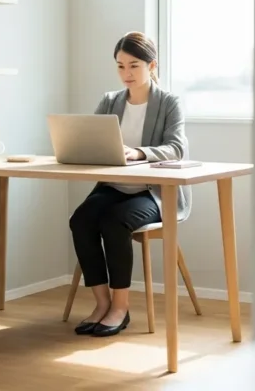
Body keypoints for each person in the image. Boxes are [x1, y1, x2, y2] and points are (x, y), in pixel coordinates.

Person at [69, 31, 191, 337]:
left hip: (152, 192)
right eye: (121, 66)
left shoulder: (169, 103)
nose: (127, 73)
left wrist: (138, 152)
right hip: (113, 187)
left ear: (152, 65)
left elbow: (176, 148)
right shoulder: (110, 101)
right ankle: (102, 304)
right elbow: (92, 139)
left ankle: (121, 309)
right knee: (81, 220)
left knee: (114, 223)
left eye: (134, 66)